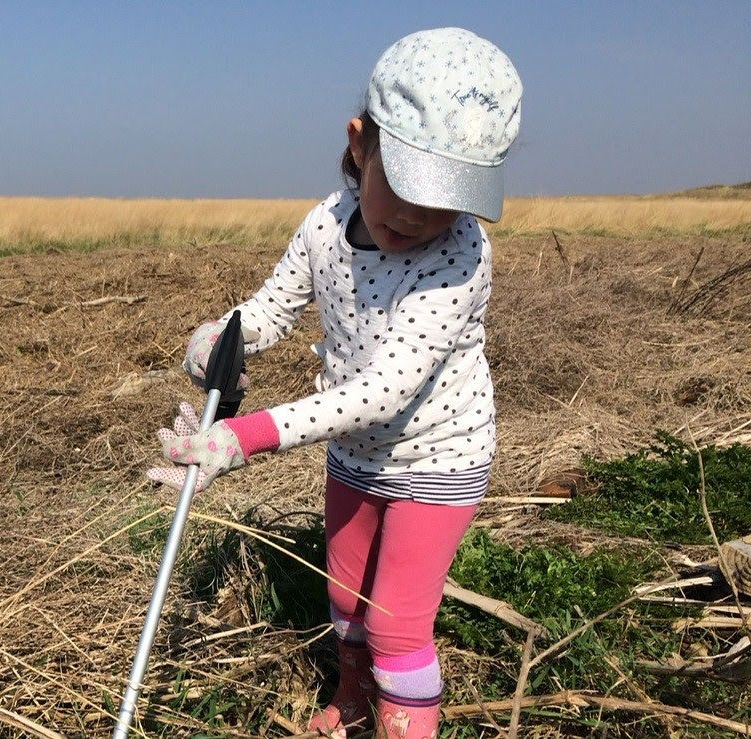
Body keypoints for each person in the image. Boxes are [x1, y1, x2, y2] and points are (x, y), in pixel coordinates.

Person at [147, 27, 522, 738]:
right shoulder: (325, 224)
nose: (420, 216)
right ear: (360, 144)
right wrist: (219, 338)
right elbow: (269, 309)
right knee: (347, 599)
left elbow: (383, 390)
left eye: (451, 197)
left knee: (395, 622)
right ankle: (353, 706)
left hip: (438, 460)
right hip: (355, 457)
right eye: (410, 186)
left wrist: (244, 436)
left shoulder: (463, 256)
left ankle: (406, 723)